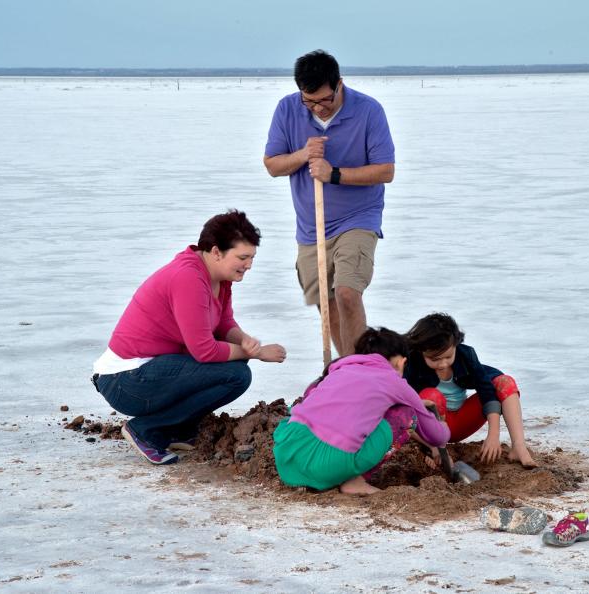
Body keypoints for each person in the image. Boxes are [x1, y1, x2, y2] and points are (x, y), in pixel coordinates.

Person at [91, 210, 286, 465]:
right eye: (243, 257)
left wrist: (245, 341)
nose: (249, 264)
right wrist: (257, 353)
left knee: (236, 366)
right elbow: (203, 351)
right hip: (125, 381)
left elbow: (223, 323)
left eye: (252, 257)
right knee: (237, 374)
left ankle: (177, 429)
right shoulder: (188, 277)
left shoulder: (219, 277)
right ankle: (146, 429)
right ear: (216, 252)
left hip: (150, 371)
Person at [263, 49, 395, 356]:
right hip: (311, 228)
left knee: (348, 293)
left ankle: (363, 370)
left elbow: (385, 170)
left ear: (339, 84)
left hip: (358, 219)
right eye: (309, 101)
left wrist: (333, 173)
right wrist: (303, 155)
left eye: (325, 100)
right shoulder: (287, 110)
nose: (318, 108)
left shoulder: (368, 111)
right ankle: (347, 368)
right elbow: (272, 165)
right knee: (328, 305)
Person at [273, 327, 450, 495]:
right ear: (401, 361)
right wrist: (442, 426)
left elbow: (313, 396)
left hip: (286, 456)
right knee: (406, 412)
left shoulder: (337, 370)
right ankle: (355, 482)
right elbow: (437, 436)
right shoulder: (394, 380)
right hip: (326, 466)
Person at [404, 313, 538, 468]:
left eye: (448, 356)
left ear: (455, 345)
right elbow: (405, 412)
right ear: (421, 351)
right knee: (428, 397)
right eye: (434, 359)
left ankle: (519, 447)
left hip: (461, 420)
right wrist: (434, 447)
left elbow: (487, 390)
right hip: (432, 427)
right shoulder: (412, 363)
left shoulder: (465, 355)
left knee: (505, 382)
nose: (443, 364)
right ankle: (435, 448)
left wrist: (493, 435)